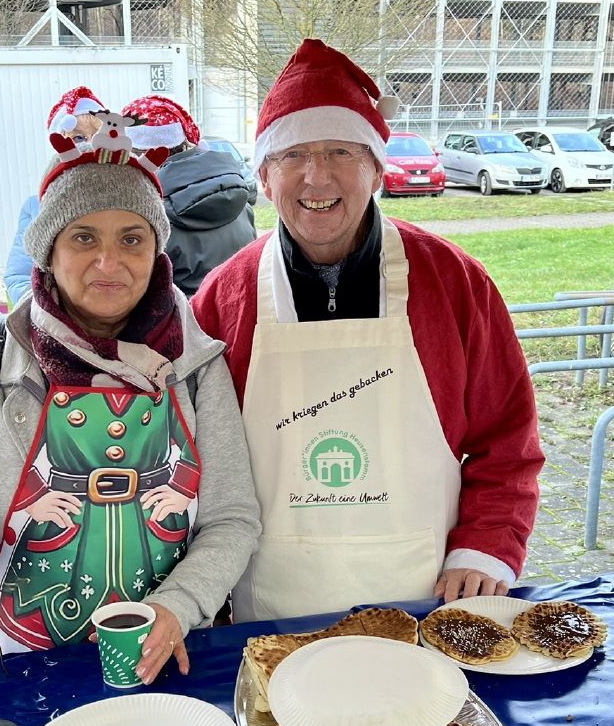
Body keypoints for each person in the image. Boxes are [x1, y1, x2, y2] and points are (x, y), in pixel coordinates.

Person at [192, 39, 544, 623]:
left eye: (341, 152)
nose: (316, 176)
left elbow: (507, 439)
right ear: (264, 177)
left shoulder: (453, 282)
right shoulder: (225, 297)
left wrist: (486, 543)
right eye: (293, 154)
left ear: (378, 168)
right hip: (272, 604)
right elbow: (195, 458)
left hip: (427, 595)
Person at [0, 112, 260, 683]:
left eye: (132, 239)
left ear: (157, 252)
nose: (109, 262)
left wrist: (179, 605)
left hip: (165, 653)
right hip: (18, 659)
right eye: (83, 238)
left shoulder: (197, 365)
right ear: (47, 251)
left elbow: (232, 519)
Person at [122, 95, 256, 297]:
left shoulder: (149, 214)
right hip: (239, 308)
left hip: (184, 314)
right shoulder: (238, 195)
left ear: (142, 155)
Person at [3, 86, 107, 306]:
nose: (89, 144)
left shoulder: (130, 202)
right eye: (78, 137)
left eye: (98, 136)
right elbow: (18, 276)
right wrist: (49, 310)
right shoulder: (36, 205)